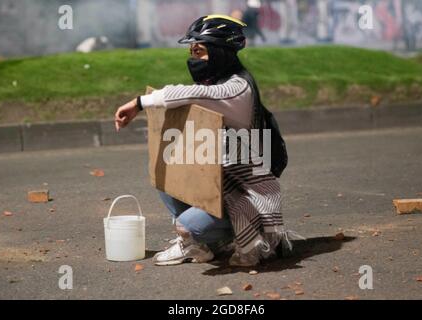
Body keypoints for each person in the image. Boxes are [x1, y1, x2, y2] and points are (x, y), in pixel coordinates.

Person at [114, 14, 297, 267]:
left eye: (198, 51)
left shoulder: (237, 87)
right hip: (221, 184)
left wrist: (138, 103)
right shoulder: (222, 81)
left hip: (247, 195)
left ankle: (237, 237)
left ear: (220, 51)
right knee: (167, 172)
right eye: (191, 51)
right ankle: (204, 244)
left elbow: (192, 92)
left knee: (186, 225)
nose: (192, 58)